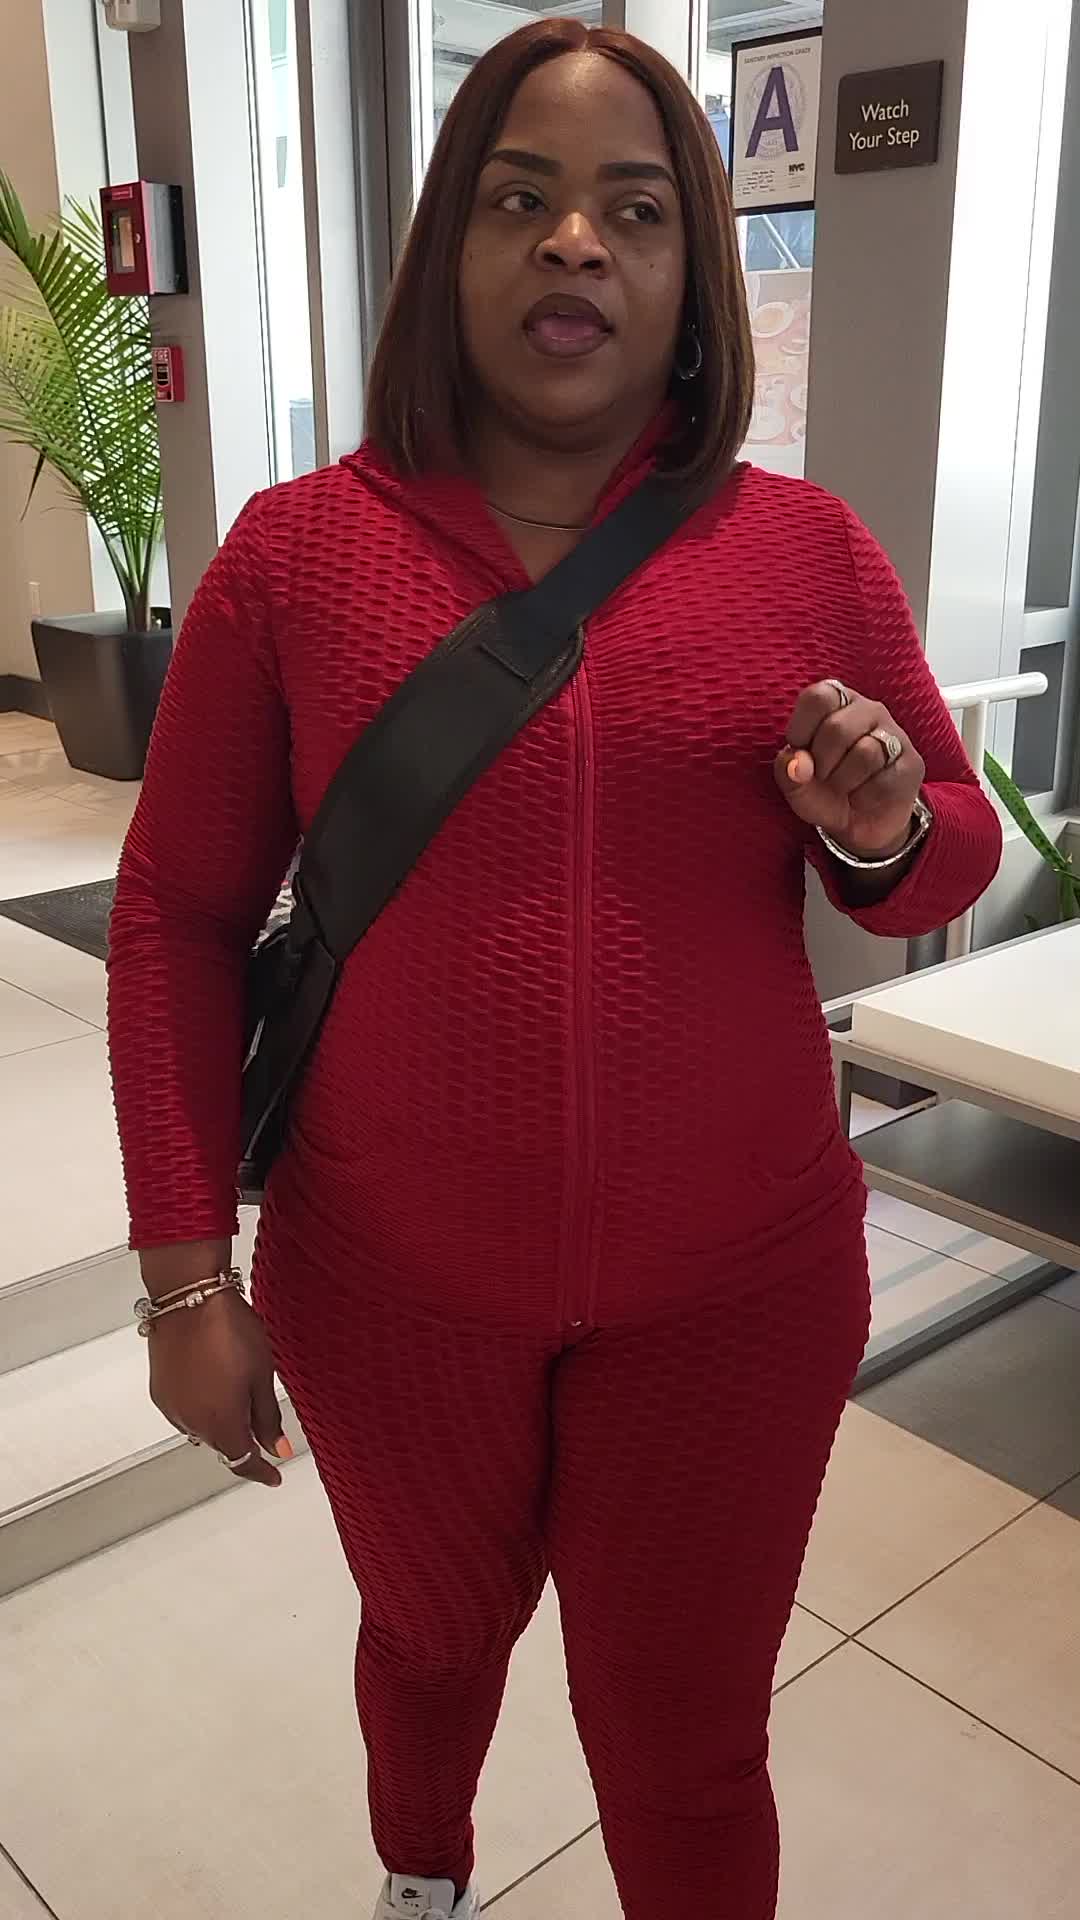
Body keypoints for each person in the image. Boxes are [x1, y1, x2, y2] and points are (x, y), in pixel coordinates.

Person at [108, 20, 1002, 1920]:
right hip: (392, 1288)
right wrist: (185, 1277)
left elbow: (948, 840)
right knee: (434, 1643)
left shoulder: (805, 551)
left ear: (693, 281)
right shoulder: (294, 558)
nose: (576, 241)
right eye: (522, 198)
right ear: (451, 248)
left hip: (737, 1293)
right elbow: (176, 914)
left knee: (688, 1745)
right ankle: (422, 1876)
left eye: (635, 209)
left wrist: (876, 823)